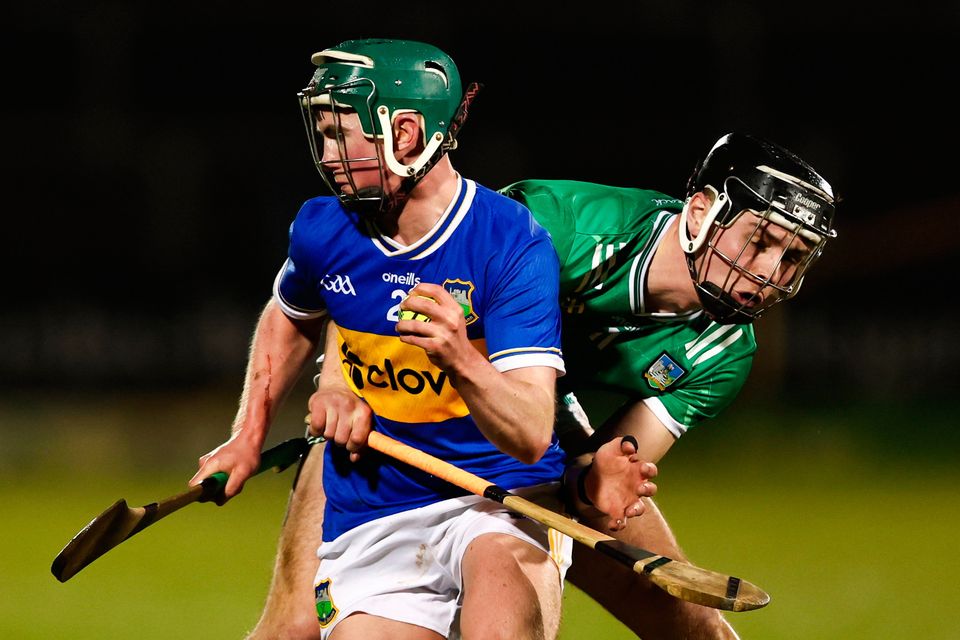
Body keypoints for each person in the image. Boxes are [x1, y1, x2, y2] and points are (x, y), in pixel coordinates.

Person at [243, 130, 839, 639]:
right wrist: (341, 379)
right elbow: (389, 273)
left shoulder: (727, 354)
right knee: (292, 629)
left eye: (791, 258)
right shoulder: (560, 223)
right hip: (405, 413)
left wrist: (595, 487)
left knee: (691, 629)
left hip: (531, 450)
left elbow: (600, 462)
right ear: (703, 210)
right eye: (759, 241)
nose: (766, 273)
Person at [190, 38, 656, 640]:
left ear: (405, 133)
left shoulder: (509, 242)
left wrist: (461, 358)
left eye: (340, 134)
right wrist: (247, 437)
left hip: (501, 500)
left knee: (502, 611)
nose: (327, 154)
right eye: (323, 133)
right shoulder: (321, 228)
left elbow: (530, 431)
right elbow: (291, 316)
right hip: (375, 510)